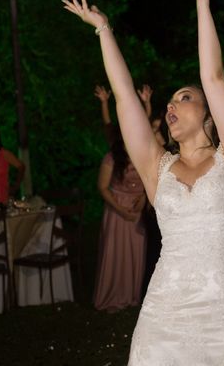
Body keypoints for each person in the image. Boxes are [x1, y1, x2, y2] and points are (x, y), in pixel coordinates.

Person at [63, 0, 224, 364]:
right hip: (166, 313)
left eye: (183, 97)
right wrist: (103, 29)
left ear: (209, 115)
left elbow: (213, 77)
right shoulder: (155, 167)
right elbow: (124, 96)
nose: (171, 104)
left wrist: (202, 4)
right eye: (170, 100)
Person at [93, 126, 148, 312]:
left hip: (137, 209)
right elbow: (102, 187)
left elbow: (152, 180)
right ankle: (112, 296)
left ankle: (132, 295)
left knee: (135, 251)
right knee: (116, 251)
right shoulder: (112, 157)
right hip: (117, 209)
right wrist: (121, 210)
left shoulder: (143, 154)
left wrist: (143, 199)